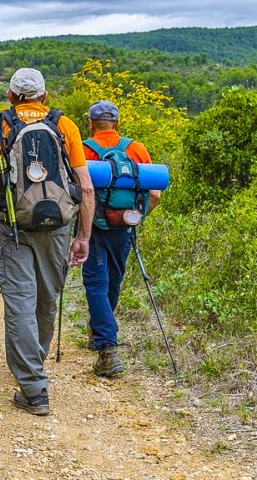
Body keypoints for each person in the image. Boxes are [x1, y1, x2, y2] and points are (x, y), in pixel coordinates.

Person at [0, 68, 95, 416]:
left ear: (10, 96)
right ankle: (34, 366)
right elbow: (86, 187)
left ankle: (34, 388)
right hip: (58, 227)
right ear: (44, 96)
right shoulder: (64, 126)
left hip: (12, 227)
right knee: (47, 299)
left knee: (21, 300)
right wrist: (83, 236)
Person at [81, 99, 162, 378]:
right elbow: (155, 195)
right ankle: (101, 332)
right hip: (124, 228)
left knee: (95, 282)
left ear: (91, 123)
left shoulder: (83, 150)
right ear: (117, 123)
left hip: (92, 228)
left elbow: (77, 194)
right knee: (113, 281)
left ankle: (107, 348)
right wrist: (134, 218)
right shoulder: (135, 149)